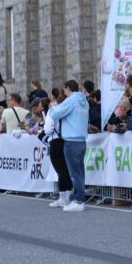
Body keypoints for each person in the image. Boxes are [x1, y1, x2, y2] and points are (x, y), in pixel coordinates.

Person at [46, 79, 89, 212]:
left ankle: (78, 201)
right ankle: (79, 199)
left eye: (64, 90)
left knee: (75, 173)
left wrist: (53, 107)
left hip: (71, 140)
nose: (64, 93)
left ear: (68, 88)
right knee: (80, 172)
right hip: (82, 140)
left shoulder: (71, 100)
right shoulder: (84, 101)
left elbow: (55, 113)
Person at [42, 90, 74, 208]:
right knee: (66, 170)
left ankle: (63, 198)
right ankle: (67, 196)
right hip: (67, 140)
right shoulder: (69, 110)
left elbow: (48, 130)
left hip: (56, 142)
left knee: (60, 171)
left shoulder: (53, 111)